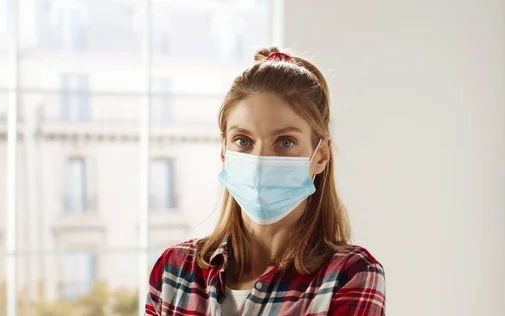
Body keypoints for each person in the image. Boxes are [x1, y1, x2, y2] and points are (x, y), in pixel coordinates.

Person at [145, 47, 386, 316]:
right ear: (224, 152)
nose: (260, 160)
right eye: (243, 141)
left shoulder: (349, 274)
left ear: (321, 155)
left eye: (285, 142)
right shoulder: (175, 270)